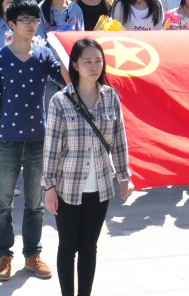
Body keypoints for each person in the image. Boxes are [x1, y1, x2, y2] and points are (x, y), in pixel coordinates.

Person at [0, 0, 70, 282]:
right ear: (11, 24)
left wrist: (61, 50)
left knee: (35, 203)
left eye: (35, 20)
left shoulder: (44, 55)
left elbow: (66, 82)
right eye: (25, 20)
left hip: (39, 140)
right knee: (3, 203)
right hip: (7, 140)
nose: (32, 25)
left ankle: (32, 254)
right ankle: (3, 256)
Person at [43, 38, 132, 296]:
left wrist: (124, 176)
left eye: (98, 61)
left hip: (101, 186)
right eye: (87, 62)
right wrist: (49, 187)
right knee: (68, 246)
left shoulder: (111, 97)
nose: (94, 67)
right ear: (75, 65)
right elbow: (51, 148)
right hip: (67, 186)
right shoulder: (60, 101)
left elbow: (119, 140)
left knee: (89, 247)